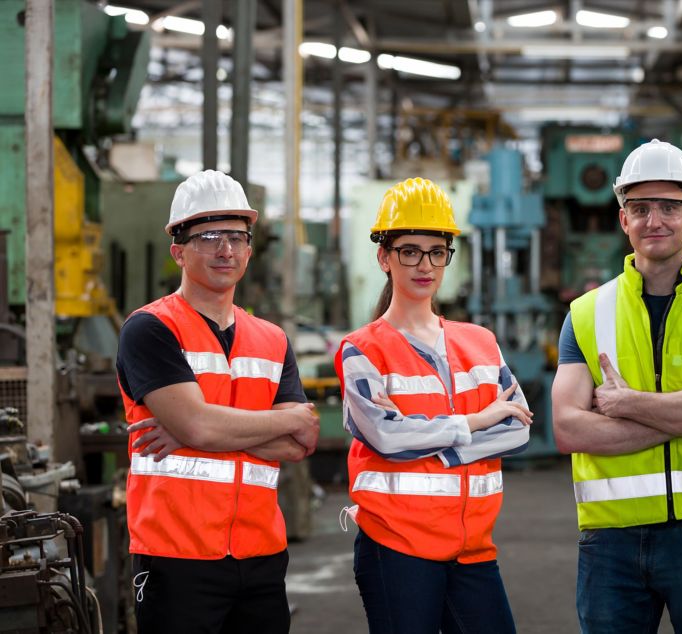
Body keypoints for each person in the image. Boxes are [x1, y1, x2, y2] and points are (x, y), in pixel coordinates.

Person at [552, 139, 682, 634]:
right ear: (623, 219)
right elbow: (566, 428)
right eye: (640, 208)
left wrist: (625, 404)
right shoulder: (584, 315)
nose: (655, 220)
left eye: (669, 207)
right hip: (610, 540)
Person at [115, 170, 320, 634]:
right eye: (208, 236)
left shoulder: (272, 339)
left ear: (249, 248)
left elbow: (302, 439)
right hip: (176, 556)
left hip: (261, 554)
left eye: (235, 236)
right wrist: (263, 423)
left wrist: (197, 430)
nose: (225, 250)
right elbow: (201, 427)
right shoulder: (150, 329)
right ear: (178, 251)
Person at [334, 177, 532, 634]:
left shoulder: (479, 341)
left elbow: (518, 427)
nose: (425, 264)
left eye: (436, 251)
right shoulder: (362, 350)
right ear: (384, 257)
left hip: (473, 549)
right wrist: (476, 422)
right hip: (397, 549)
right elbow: (385, 436)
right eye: (409, 250)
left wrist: (427, 444)